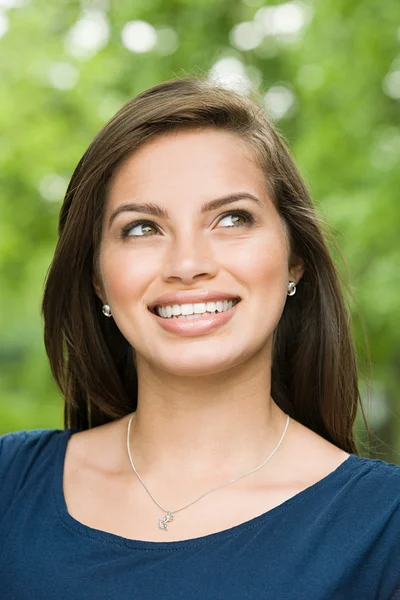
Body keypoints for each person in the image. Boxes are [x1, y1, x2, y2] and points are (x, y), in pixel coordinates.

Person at [0, 76, 399, 599]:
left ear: (294, 261)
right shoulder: (10, 486)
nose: (187, 265)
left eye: (232, 218)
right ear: (98, 277)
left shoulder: (384, 529)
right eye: (142, 227)